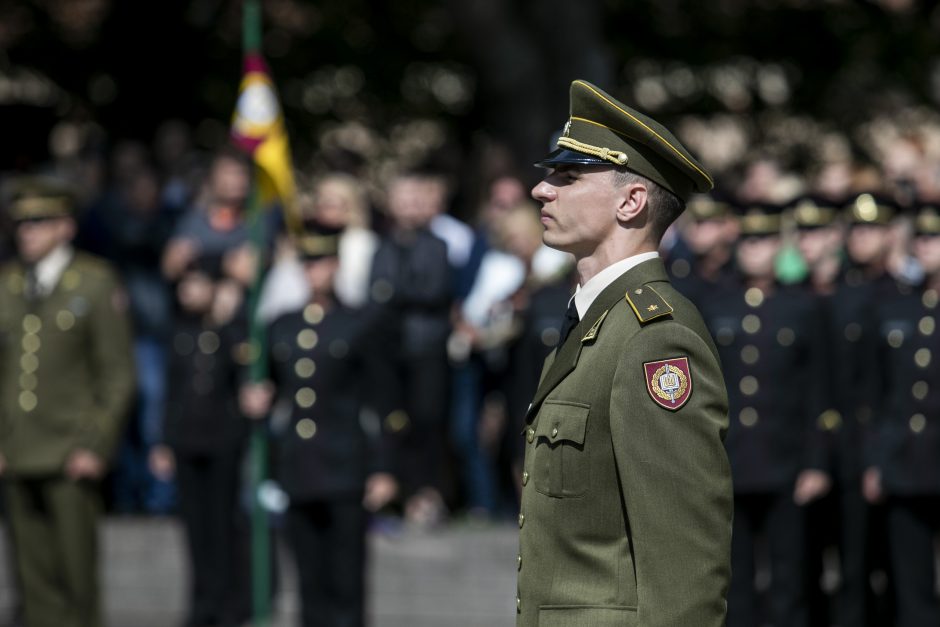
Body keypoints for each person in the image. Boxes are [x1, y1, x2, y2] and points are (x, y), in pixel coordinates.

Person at [516, 79, 732, 626]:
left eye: (566, 178)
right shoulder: (596, 320)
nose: (542, 190)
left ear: (631, 202)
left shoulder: (653, 338)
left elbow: (685, 556)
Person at [240, 221, 401, 627]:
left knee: (346, 583)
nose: (316, 271)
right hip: (298, 465)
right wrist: (256, 395)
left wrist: (383, 467)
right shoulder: (282, 325)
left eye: (324, 262)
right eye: (309, 263)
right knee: (308, 582)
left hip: (345, 463)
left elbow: (382, 400)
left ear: (337, 266)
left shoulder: (360, 322)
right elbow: (270, 387)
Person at [0, 177, 136, 627]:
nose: (27, 232)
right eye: (21, 222)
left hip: (69, 449)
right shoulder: (8, 284)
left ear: (65, 227)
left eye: (39, 221)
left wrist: (96, 444)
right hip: (18, 450)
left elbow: (117, 375)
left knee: (77, 581)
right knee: (31, 580)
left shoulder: (94, 283)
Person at [701, 202, 832, 627]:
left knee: (788, 581)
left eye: (765, 241)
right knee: (731, 580)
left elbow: (817, 391)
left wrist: (815, 463)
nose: (755, 250)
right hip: (729, 460)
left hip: (787, 462)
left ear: (780, 246)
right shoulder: (714, 301)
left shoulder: (803, 307)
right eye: (749, 241)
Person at [149, 253, 250, 627]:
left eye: (197, 284)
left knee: (223, 524)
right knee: (194, 528)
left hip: (222, 439)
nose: (188, 292)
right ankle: (201, 601)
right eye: (184, 285)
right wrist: (162, 441)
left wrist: (229, 316)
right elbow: (171, 392)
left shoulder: (229, 332)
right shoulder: (179, 332)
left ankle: (228, 601)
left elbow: (243, 372)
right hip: (187, 440)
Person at [864, 202, 940, 627]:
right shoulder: (896, 306)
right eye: (923, 238)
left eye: (935, 238)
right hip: (906, 462)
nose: (927, 246)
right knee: (911, 587)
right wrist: (877, 460)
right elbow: (879, 394)